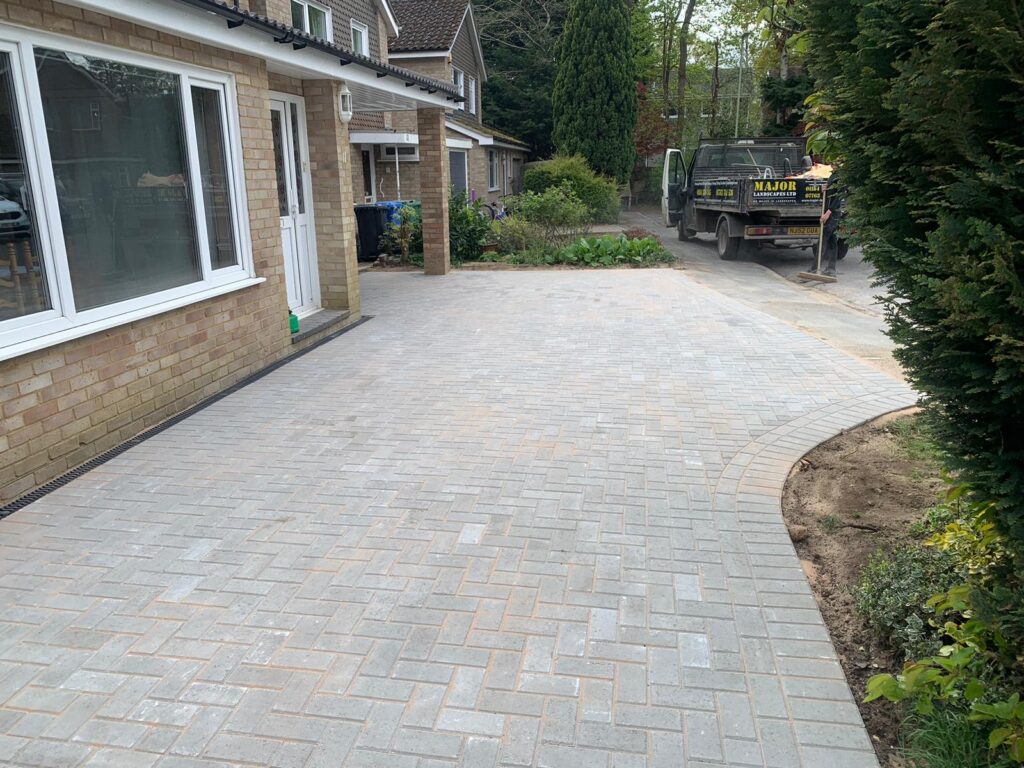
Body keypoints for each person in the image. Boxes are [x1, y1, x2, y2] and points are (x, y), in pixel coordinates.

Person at [814, 180, 845, 277]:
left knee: (823, 240)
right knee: (832, 241)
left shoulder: (840, 177)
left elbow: (837, 199)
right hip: (830, 213)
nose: (832, 165)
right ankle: (831, 269)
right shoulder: (832, 176)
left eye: (834, 163)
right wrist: (824, 190)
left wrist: (827, 213)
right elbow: (828, 197)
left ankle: (815, 268)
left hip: (833, 214)